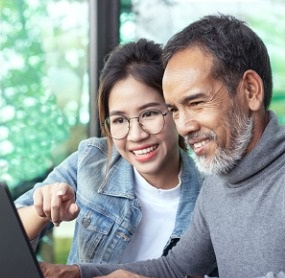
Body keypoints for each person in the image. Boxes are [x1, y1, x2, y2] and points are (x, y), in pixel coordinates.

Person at [39, 14, 285, 278]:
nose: (184, 127)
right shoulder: (219, 183)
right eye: (174, 110)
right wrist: (76, 274)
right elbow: (176, 268)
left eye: (196, 103)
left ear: (250, 90)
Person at [15, 38, 202, 265]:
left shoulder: (208, 194)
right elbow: (3, 234)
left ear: (175, 110)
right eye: (120, 120)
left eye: (149, 114)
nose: (136, 135)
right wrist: (42, 210)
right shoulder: (91, 160)